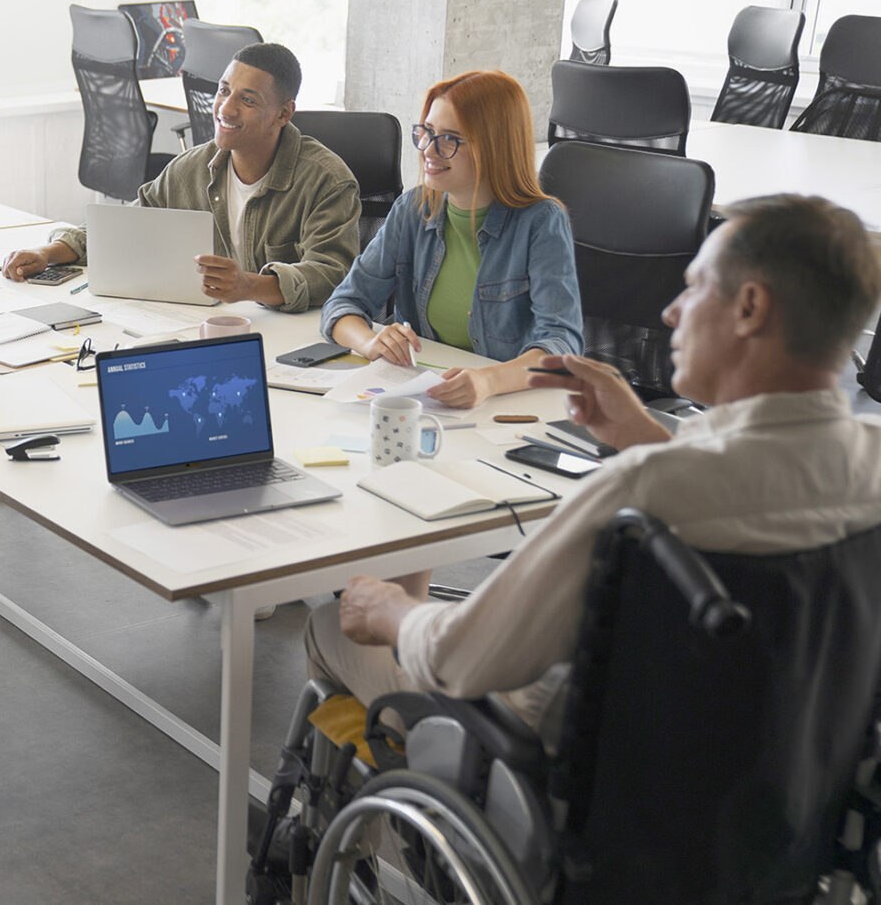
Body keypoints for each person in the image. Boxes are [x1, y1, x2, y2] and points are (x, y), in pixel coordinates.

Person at [305, 194, 881, 747]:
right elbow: (749, 487)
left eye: (695, 288)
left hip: (556, 762)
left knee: (333, 624)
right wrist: (647, 440)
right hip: (775, 781)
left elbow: (460, 657)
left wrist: (388, 609)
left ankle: (377, 833)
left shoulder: (642, 495)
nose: (671, 312)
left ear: (750, 307)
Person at [1, 42, 361, 313]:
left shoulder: (327, 180)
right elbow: (125, 224)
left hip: (294, 340)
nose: (226, 108)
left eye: (247, 101)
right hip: (212, 327)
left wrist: (248, 285)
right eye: (223, 91)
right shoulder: (192, 167)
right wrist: (48, 253)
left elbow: (332, 273)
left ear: (283, 114)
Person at [320, 69, 583, 410]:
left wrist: (489, 380)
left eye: (449, 139)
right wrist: (372, 343)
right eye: (426, 133)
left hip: (509, 408)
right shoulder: (412, 210)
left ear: (493, 147)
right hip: (425, 401)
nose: (429, 150)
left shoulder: (541, 223)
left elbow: (562, 344)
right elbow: (342, 304)